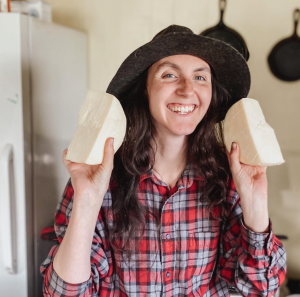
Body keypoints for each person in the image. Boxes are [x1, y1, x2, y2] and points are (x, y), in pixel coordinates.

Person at [40, 25, 286, 297]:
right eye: (169, 75)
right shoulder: (99, 173)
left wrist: (256, 202)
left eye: (200, 78)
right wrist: (86, 199)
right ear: (145, 89)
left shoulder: (229, 177)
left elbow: (262, 290)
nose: (187, 89)